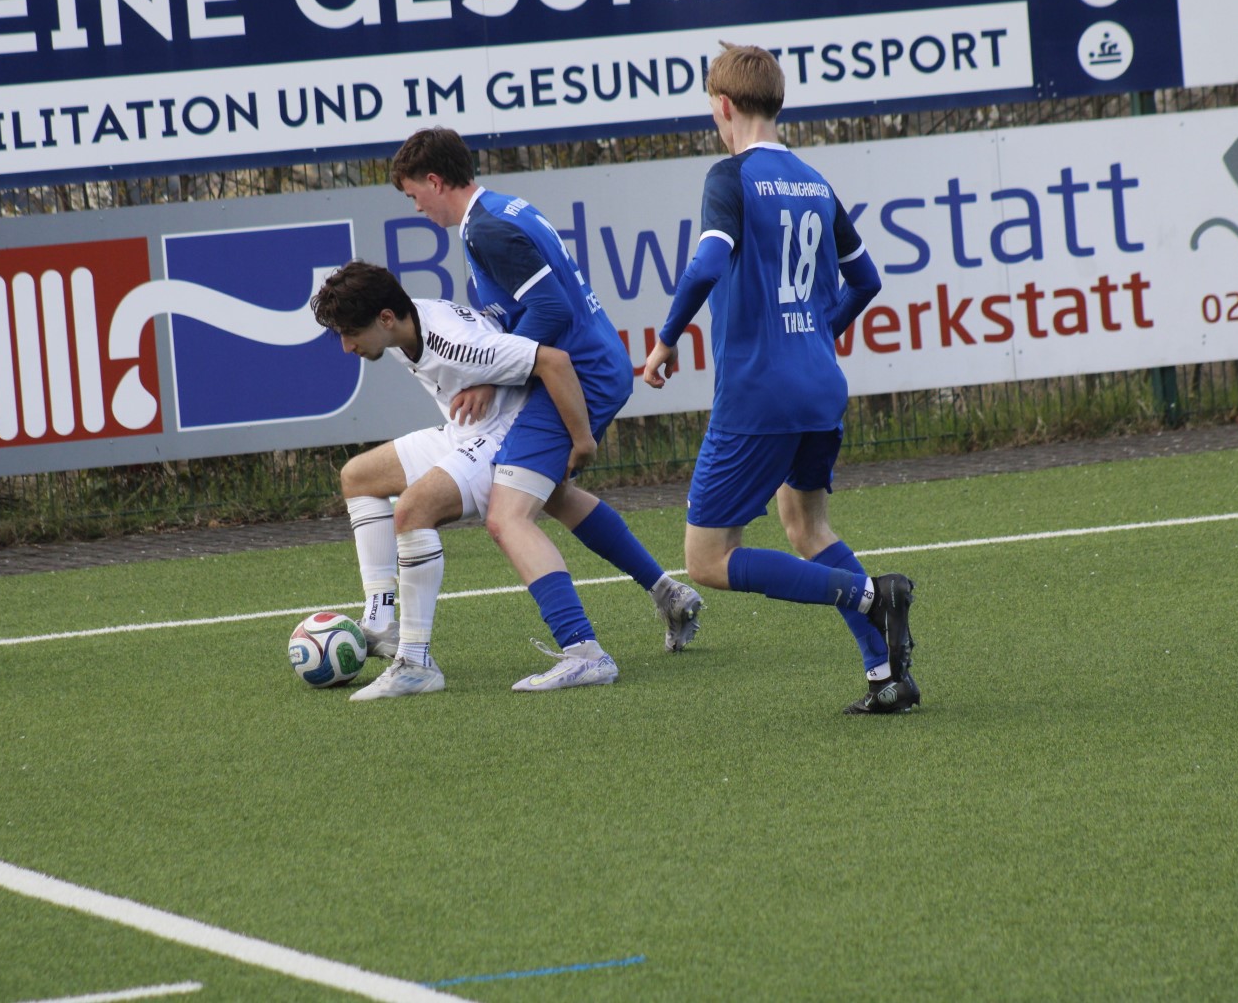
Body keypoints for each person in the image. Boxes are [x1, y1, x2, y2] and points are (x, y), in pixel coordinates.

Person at [641, 43, 921, 715]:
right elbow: (867, 280)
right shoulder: (813, 182)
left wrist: (666, 340)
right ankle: (887, 676)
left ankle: (870, 596)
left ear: (723, 106)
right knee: (807, 527)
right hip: (820, 386)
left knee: (707, 560)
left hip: (758, 395)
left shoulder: (730, 177)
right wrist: (819, 334)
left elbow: (707, 267)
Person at [390, 127, 703, 692]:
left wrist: (490, 376)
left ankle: (584, 652)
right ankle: (669, 594)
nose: (416, 207)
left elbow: (551, 309)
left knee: (506, 516)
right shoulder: (500, 210)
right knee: (549, 492)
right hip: (585, 366)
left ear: (435, 181)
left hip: (578, 374)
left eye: (415, 194)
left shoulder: (485, 229)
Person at [310, 260, 597, 700]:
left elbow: (553, 362)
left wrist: (582, 442)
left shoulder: (452, 342)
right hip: (465, 431)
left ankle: (416, 664)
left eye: (351, 333)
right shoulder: (406, 324)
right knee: (358, 477)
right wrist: (488, 382)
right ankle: (380, 622)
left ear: (385, 318)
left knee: (412, 511)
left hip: (503, 437)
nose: (347, 346)